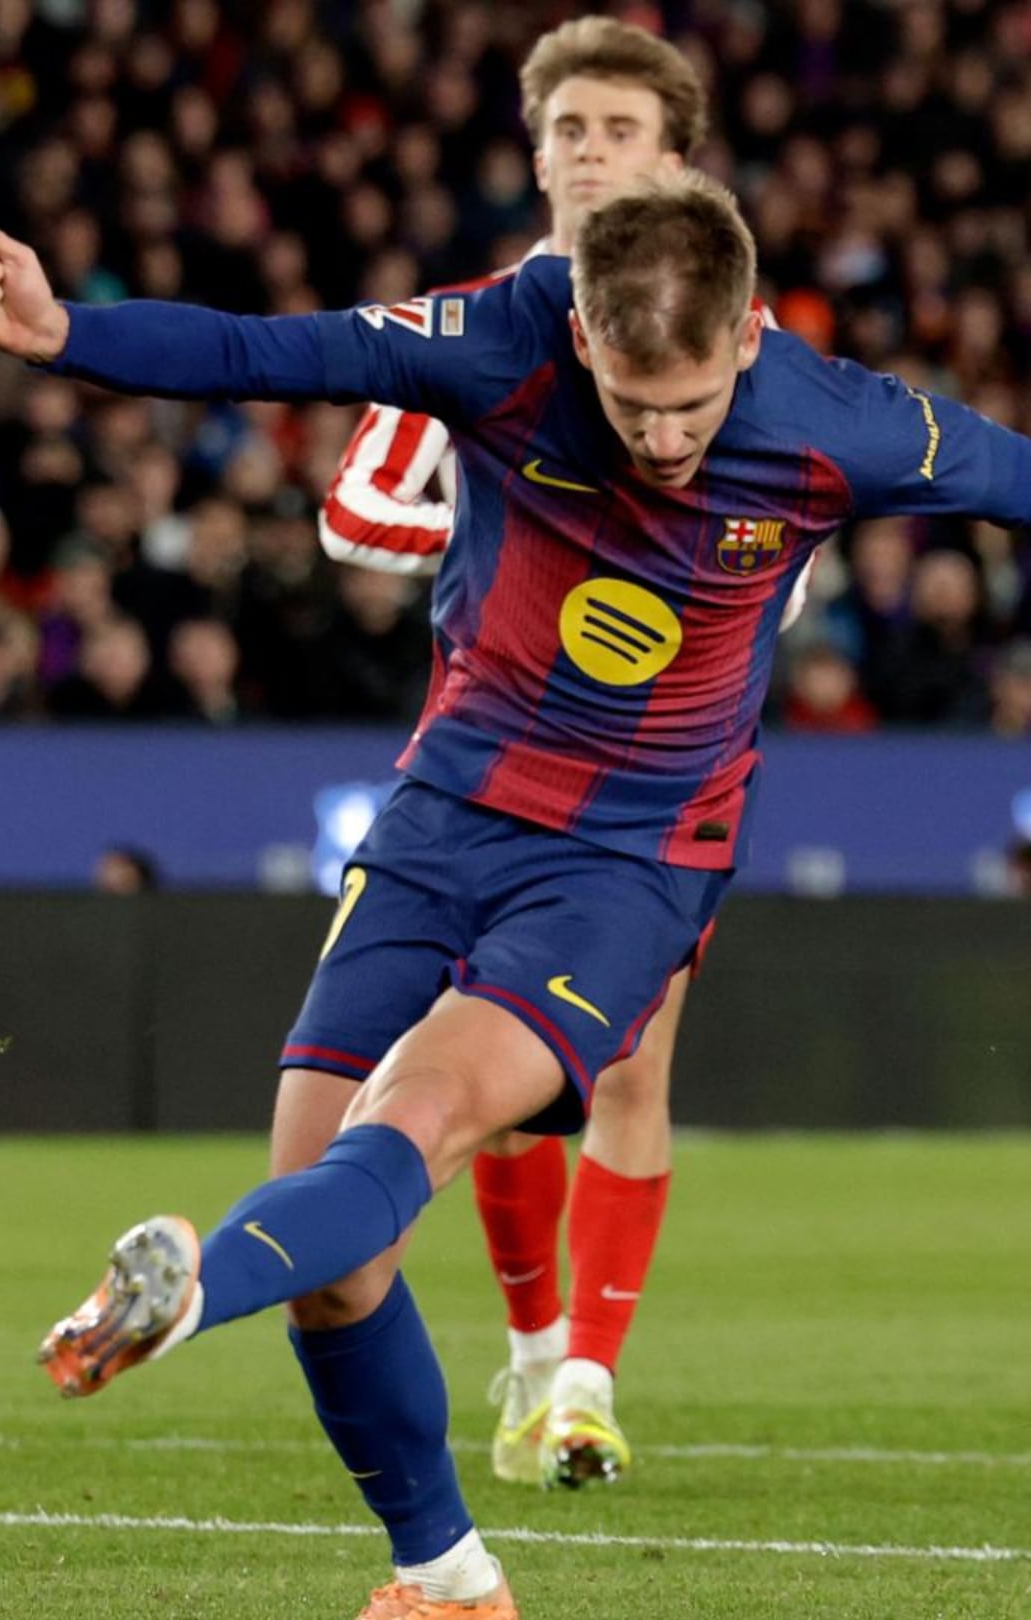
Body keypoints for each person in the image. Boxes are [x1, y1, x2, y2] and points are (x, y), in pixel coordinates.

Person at [0, 170, 1031, 1619]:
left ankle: (192, 1290)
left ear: (749, 337)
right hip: (443, 819)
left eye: (693, 407)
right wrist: (64, 329)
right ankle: (448, 1579)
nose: (663, 439)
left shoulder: (840, 423)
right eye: (633, 404)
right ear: (581, 333)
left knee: (423, 1118)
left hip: (630, 866)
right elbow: (275, 350)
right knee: (329, 1244)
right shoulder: (502, 338)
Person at [315, 16, 811, 1492]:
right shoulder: (472, 331)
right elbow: (355, 511)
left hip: (667, 779)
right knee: (500, 1073)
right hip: (491, 766)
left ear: (680, 162)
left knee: (631, 1065)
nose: (593, 155)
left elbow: (800, 538)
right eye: (570, 133)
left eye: (622, 133)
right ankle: (533, 1358)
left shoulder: (747, 339)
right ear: (537, 160)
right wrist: (523, 535)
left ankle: (583, 1382)